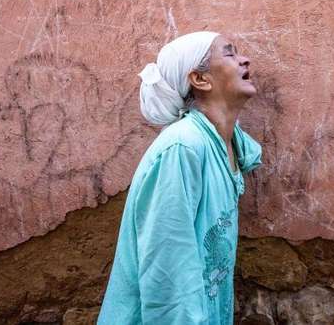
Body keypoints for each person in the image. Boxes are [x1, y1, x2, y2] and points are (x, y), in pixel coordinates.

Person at [98, 31, 262, 324]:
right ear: (200, 80)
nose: (244, 59)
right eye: (230, 53)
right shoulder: (183, 148)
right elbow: (168, 271)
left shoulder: (226, 144)